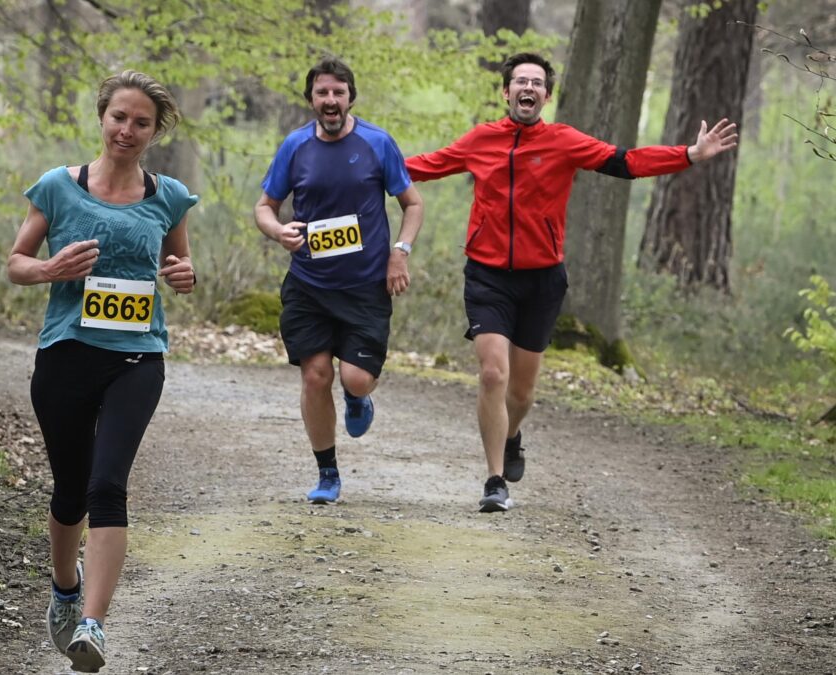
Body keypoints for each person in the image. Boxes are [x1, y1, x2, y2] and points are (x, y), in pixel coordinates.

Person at [404, 52, 738, 513]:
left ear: (546, 95)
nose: (527, 88)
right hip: (487, 275)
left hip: (542, 280)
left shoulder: (563, 142)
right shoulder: (481, 140)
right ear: (505, 93)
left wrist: (688, 155)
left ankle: (513, 434)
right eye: (519, 81)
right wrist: (362, 162)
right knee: (492, 373)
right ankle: (494, 480)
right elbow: (421, 165)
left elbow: (626, 162)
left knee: (520, 393)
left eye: (536, 83)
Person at [7, 70, 197, 672]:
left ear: (155, 130)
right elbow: (16, 263)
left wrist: (185, 275)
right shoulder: (59, 188)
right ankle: (65, 590)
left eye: (142, 122)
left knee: (107, 485)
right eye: (120, 117)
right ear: (102, 117)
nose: (128, 130)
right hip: (65, 354)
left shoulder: (168, 196)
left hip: (137, 357)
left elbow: (180, 264)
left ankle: (93, 623)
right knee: (70, 490)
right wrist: (50, 270)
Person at [254, 57, 424, 505]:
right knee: (315, 375)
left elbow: (413, 204)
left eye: (338, 93)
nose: (330, 101)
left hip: (366, 285)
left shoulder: (376, 143)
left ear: (350, 98)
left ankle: (355, 397)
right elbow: (264, 207)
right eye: (322, 93)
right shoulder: (294, 146)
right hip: (308, 283)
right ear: (311, 99)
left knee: (356, 378)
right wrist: (278, 231)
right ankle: (327, 473)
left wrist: (399, 255)